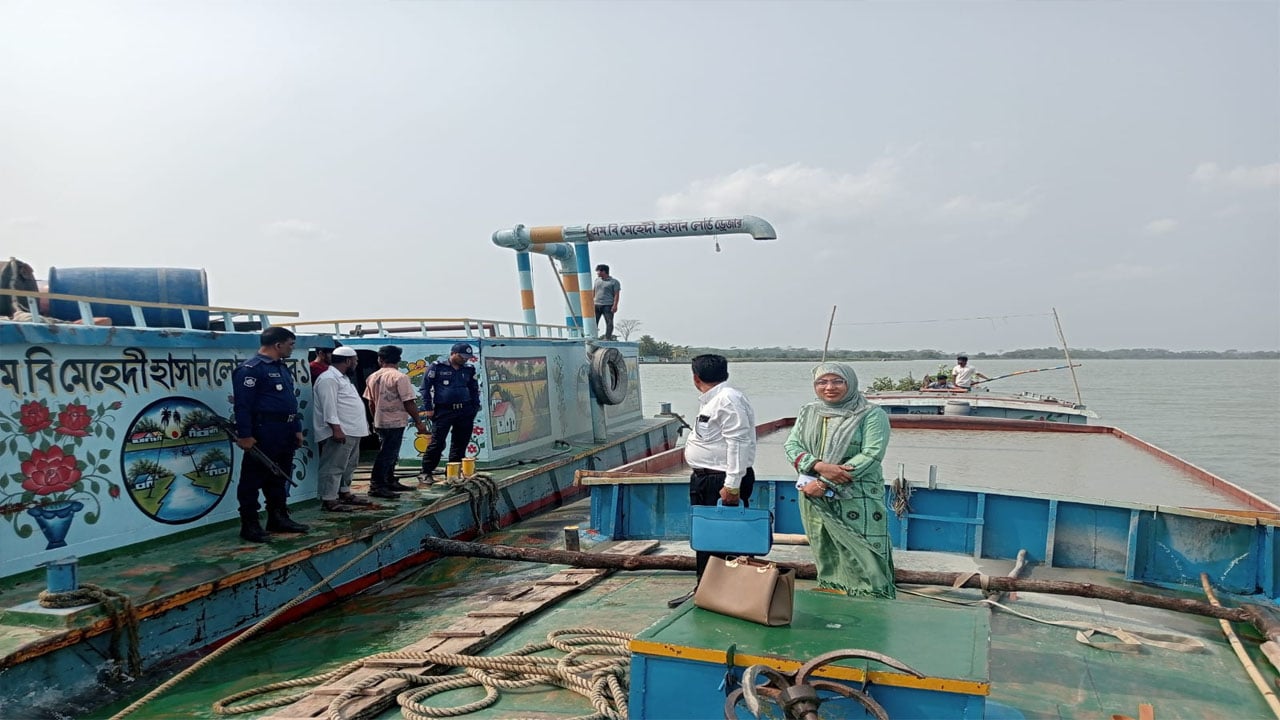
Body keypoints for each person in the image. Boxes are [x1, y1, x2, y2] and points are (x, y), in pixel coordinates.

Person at [783, 362, 895, 598]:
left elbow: (871, 455)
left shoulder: (871, 414)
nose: (829, 387)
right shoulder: (809, 411)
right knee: (824, 545)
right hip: (813, 493)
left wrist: (825, 483)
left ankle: (871, 596)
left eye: (837, 381)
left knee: (864, 551)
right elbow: (792, 445)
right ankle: (833, 589)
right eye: (822, 382)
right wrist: (818, 466)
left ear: (850, 383)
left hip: (856, 495)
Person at [667, 354, 757, 608]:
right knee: (708, 538)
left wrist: (732, 485)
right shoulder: (714, 399)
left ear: (695, 378)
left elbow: (738, 442)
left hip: (721, 480)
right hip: (707, 478)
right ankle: (707, 589)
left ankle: (729, 594)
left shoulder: (727, 399)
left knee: (726, 540)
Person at [231, 326, 308, 543]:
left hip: (286, 430)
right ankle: (250, 524)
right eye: (290, 344)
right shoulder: (251, 370)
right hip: (264, 430)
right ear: (278, 344)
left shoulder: (282, 368)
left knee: (279, 476)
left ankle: (278, 517)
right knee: (252, 479)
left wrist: (297, 428)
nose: (292, 349)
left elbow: (290, 401)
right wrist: (245, 435)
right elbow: (243, 405)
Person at [313, 347, 375, 511]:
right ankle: (329, 499)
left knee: (349, 465)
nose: (356, 363)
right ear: (348, 361)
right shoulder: (328, 379)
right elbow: (329, 406)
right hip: (341, 431)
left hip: (352, 430)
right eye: (355, 360)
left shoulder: (343, 378)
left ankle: (344, 492)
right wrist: (336, 429)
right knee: (333, 466)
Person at [362, 345, 428, 498]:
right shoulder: (400, 377)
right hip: (395, 421)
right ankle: (377, 485)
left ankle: (389, 480)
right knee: (387, 454)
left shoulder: (372, 377)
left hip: (380, 420)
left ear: (380, 359)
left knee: (389, 452)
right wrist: (418, 422)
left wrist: (375, 419)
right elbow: (408, 401)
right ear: (398, 359)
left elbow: (371, 403)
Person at [420, 342, 481, 482]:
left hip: (465, 410)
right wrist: (428, 408)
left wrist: (475, 407)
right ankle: (426, 472)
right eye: (462, 356)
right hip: (444, 410)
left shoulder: (469, 369)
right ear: (453, 353)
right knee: (437, 443)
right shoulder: (437, 367)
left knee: (460, 443)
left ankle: (453, 473)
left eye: (467, 357)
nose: (465, 359)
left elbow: (474, 389)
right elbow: (425, 388)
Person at [592, 264, 620, 340]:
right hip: (596, 304)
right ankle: (593, 337)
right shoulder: (597, 280)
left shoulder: (614, 282)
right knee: (593, 323)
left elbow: (616, 294)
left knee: (609, 322)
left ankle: (607, 337)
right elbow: (594, 291)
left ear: (604, 271)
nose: (597, 273)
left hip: (608, 305)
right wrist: (591, 301)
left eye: (598, 271)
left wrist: (615, 305)